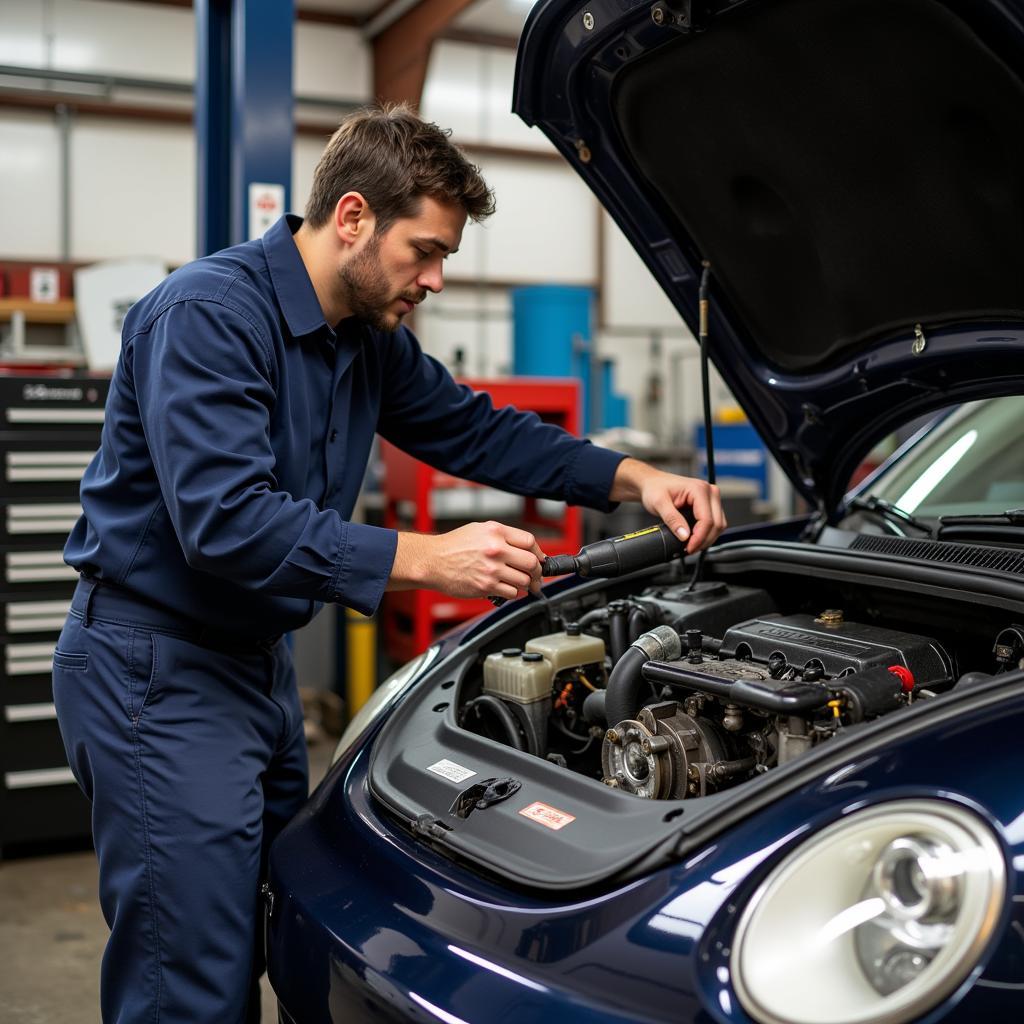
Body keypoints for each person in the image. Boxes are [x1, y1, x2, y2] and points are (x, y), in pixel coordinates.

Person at [53, 103, 725, 1023]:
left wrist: (631, 474)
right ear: (355, 217)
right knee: (189, 982)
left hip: (255, 666)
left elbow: (474, 429)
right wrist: (425, 557)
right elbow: (225, 522)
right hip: (154, 669)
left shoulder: (367, 338)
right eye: (426, 250)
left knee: (276, 928)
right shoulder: (209, 315)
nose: (438, 279)